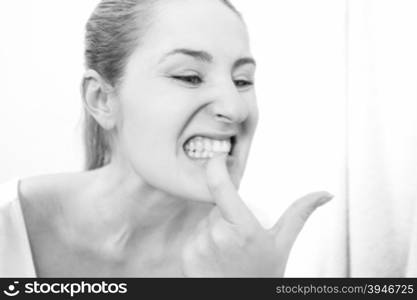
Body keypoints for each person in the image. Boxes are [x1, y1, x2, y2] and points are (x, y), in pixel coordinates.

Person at [0, 0, 332, 277]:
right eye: (189, 76)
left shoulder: (256, 250)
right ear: (101, 99)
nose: (234, 109)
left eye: (242, 81)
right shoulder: (8, 226)